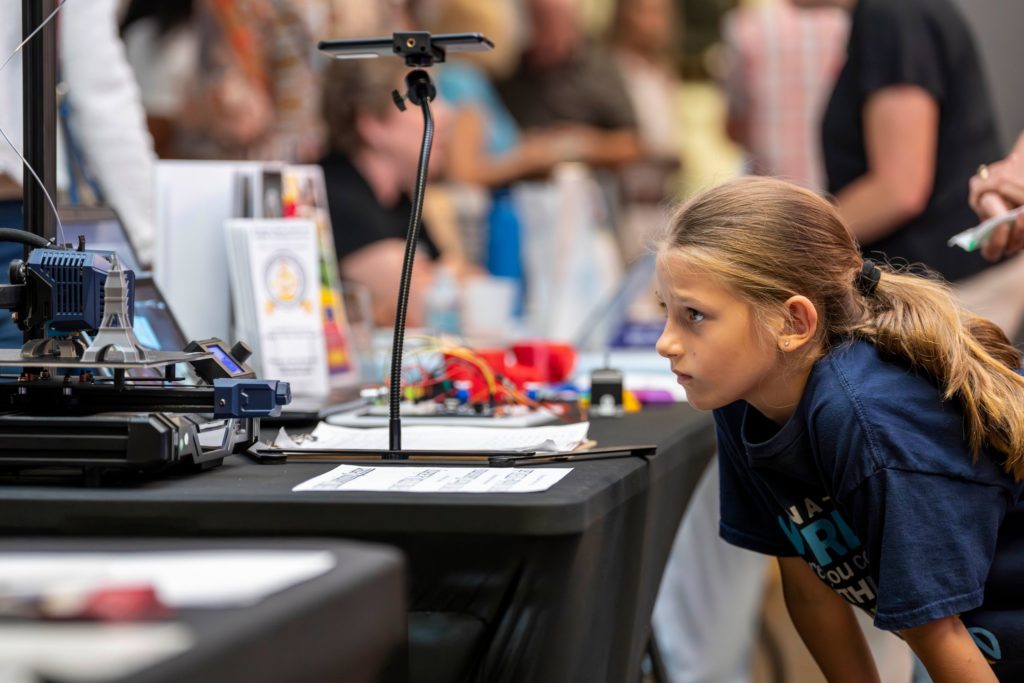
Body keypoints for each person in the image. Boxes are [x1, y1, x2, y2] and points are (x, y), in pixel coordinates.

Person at [654, 175, 1024, 681]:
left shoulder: (868, 421)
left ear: (793, 323)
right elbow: (809, 588)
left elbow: (937, 633)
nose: (666, 342)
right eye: (666, 311)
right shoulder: (743, 400)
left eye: (694, 315)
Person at [319, 57, 451, 327]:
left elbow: (469, 280)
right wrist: (440, 275)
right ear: (373, 123)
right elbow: (423, 304)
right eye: (420, 100)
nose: (446, 114)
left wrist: (438, 275)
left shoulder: (397, 199)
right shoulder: (333, 193)